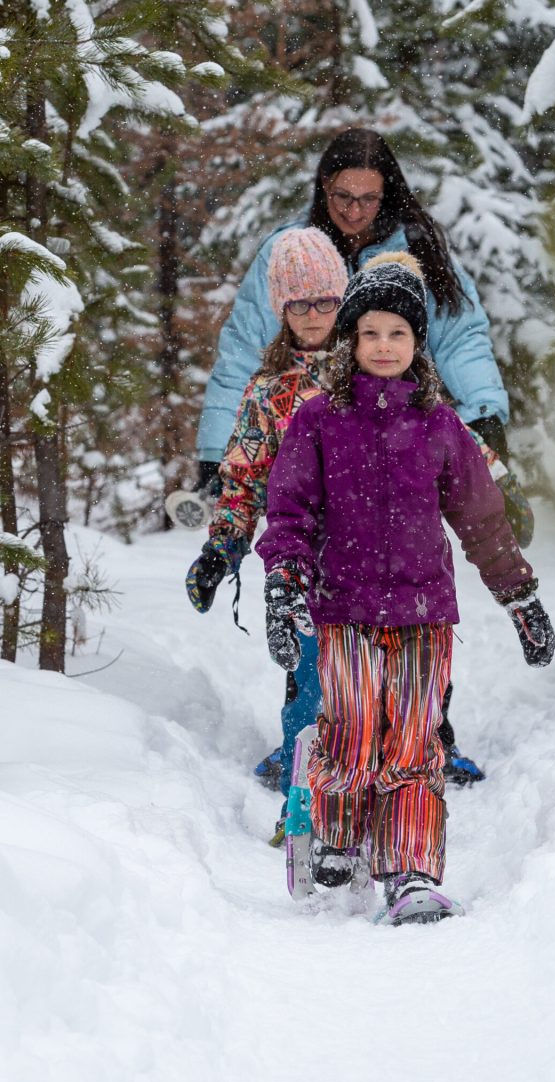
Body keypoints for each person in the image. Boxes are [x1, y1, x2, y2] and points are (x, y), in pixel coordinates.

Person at [190, 127, 526, 788]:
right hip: (317, 538)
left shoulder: (397, 311)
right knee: (316, 655)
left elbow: (456, 354)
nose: (354, 210)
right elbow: (242, 356)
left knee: (413, 648)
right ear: (323, 189)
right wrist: (217, 472)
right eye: (342, 196)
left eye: (367, 198)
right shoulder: (282, 324)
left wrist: (493, 452)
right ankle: (310, 757)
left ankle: (425, 741)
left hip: (400, 533)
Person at [255, 252, 555, 926]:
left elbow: (481, 519)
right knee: (354, 732)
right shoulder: (319, 421)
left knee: (416, 742)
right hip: (344, 606)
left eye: (398, 333)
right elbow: (291, 510)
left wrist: (519, 595)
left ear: (418, 342)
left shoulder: (440, 425)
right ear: (351, 340)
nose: (384, 346)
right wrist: (284, 583)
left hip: (424, 612)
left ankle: (412, 870)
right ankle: (336, 833)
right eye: (370, 333)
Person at [183, 228, 344, 824]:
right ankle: (304, 781)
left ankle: (378, 773)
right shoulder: (269, 391)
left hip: (370, 549)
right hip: (297, 556)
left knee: (370, 668)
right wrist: (223, 547)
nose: (313, 315)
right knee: (307, 668)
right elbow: (244, 477)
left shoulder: (372, 369)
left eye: (325, 301)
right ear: (281, 309)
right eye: (299, 304)